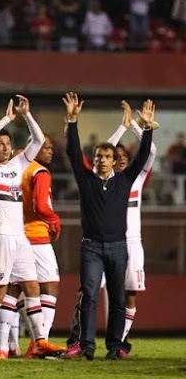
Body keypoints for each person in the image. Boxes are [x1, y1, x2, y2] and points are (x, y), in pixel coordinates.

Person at [0, 95, 64, 359]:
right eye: (0, 143)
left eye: (8, 143)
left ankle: (40, 342)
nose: (5, 147)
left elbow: (36, 140)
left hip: (20, 237)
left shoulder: (17, 165)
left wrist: (26, 114)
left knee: (32, 287)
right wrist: (5, 119)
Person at [63, 92, 154, 360]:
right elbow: (72, 151)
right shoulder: (86, 179)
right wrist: (72, 122)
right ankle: (87, 346)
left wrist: (147, 128)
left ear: (115, 161)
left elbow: (144, 155)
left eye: (106, 156)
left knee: (117, 298)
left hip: (118, 246)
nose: (101, 159)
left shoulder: (124, 181)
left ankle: (115, 347)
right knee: (89, 294)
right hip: (90, 247)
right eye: (98, 156)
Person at [19, 132, 62, 357]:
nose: (50, 151)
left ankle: (5, 345)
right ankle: (40, 342)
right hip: (36, 236)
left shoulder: (17, 169)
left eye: (51, 147)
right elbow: (40, 205)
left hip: (16, 235)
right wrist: (54, 220)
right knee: (50, 285)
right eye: (45, 147)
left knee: (12, 292)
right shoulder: (39, 171)